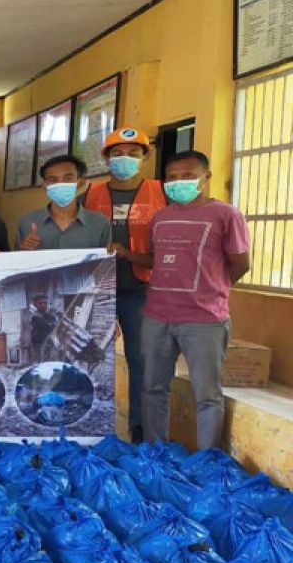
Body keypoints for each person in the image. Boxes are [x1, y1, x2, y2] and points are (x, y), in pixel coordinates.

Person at [140, 150, 250, 451]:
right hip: (157, 316)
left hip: (204, 320)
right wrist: (126, 255)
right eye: (172, 178)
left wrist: (212, 290)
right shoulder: (160, 217)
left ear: (206, 177)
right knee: (153, 388)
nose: (179, 182)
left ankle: (206, 460)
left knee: (208, 395)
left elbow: (240, 263)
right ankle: (155, 453)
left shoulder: (226, 215)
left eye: (187, 176)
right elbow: (155, 260)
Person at [83, 126, 165, 442]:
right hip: (96, 291)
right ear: (106, 158)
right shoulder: (90, 195)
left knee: (142, 362)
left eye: (133, 153)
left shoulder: (163, 193)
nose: (124, 159)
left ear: (145, 157)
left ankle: (140, 433)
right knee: (86, 357)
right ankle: (85, 431)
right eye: (117, 153)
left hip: (142, 290)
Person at [18, 155, 111, 251]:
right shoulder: (26, 223)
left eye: (68, 178)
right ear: (44, 186)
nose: (61, 184)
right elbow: (15, 262)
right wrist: (23, 251)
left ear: (80, 182)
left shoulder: (100, 223)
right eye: (53, 180)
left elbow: (106, 263)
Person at [29, 293, 59, 362]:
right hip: (39, 345)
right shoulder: (35, 316)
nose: (43, 305)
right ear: (35, 305)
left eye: (45, 303)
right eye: (40, 303)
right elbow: (48, 325)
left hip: (50, 343)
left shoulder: (48, 315)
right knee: (43, 364)